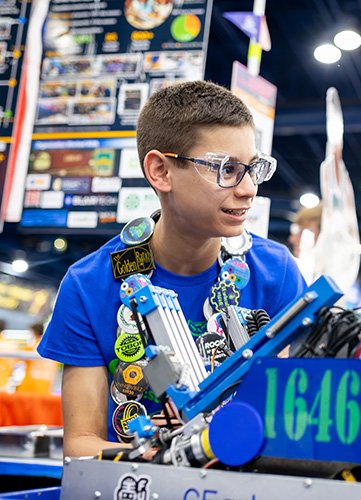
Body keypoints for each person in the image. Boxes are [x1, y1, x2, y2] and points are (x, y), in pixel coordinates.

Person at [38, 80, 306, 457]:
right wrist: (172, 461)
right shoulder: (90, 286)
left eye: (252, 169)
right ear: (161, 171)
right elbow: (82, 444)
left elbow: (298, 417)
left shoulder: (274, 272)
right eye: (227, 169)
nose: (248, 190)